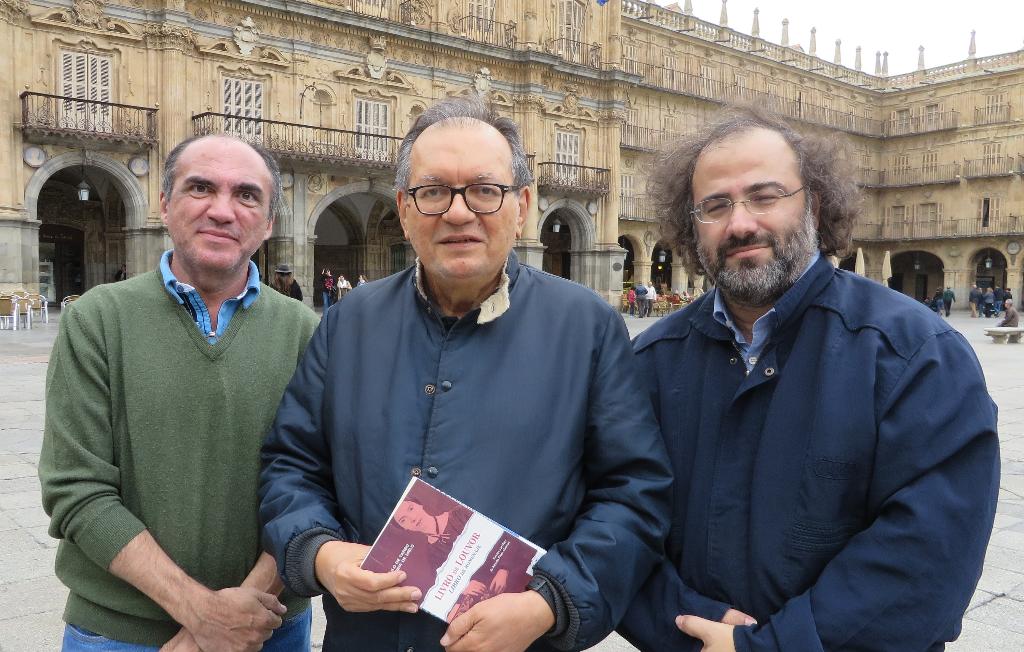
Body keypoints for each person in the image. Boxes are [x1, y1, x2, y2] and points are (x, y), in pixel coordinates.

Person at [258, 95, 672, 652]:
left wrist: (548, 604)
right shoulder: (348, 322)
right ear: (404, 209)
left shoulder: (587, 328)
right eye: (433, 192)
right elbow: (291, 465)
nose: (458, 212)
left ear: (522, 205)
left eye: (485, 190)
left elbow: (633, 494)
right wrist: (319, 553)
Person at [618, 105, 1000, 652]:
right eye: (716, 205)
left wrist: (767, 646)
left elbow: (929, 557)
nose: (741, 222)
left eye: (765, 197)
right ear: (691, 223)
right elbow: (619, 515)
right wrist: (685, 623)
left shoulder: (914, 353)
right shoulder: (652, 359)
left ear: (814, 205)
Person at [39, 134, 320, 651]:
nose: (222, 210)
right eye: (200, 188)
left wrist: (230, 618)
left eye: (247, 195)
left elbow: (320, 487)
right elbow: (75, 490)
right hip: (118, 633)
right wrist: (200, 615)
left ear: (270, 223)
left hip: (268, 628)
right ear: (165, 204)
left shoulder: (308, 333)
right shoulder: (97, 319)